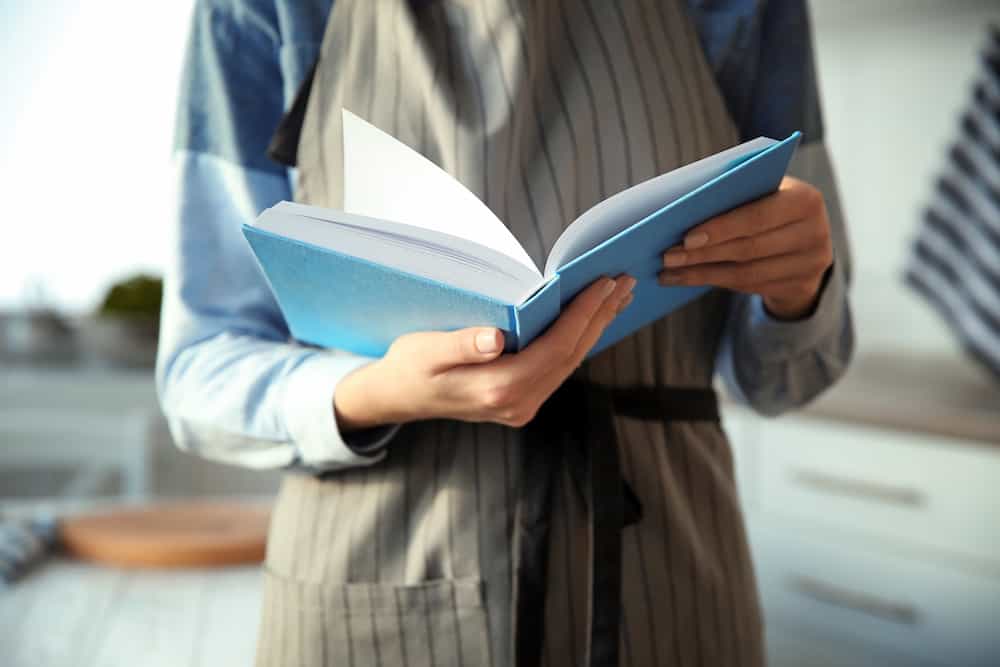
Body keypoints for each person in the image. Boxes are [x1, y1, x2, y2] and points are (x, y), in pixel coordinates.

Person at [159, 0, 854, 665]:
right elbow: (199, 365)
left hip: (668, 579)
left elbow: (791, 376)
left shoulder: (746, 5)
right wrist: (371, 393)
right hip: (370, 574)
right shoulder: (262, 7)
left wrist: (799, 291)